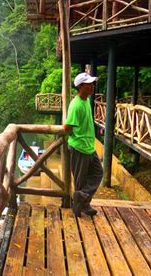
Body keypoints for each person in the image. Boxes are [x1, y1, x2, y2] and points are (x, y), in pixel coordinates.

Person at [64, 72, 103, 217]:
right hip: (79, 147)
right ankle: (80, 208)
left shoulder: (86, 100)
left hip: (89, 147)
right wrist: (75, 139)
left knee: (98, 172)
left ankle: (82, 198)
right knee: (80, 180)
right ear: (80, 86)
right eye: (89, 84)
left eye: (92, 83)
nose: (92, 86)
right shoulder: (76, 105)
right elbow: (67, 127)